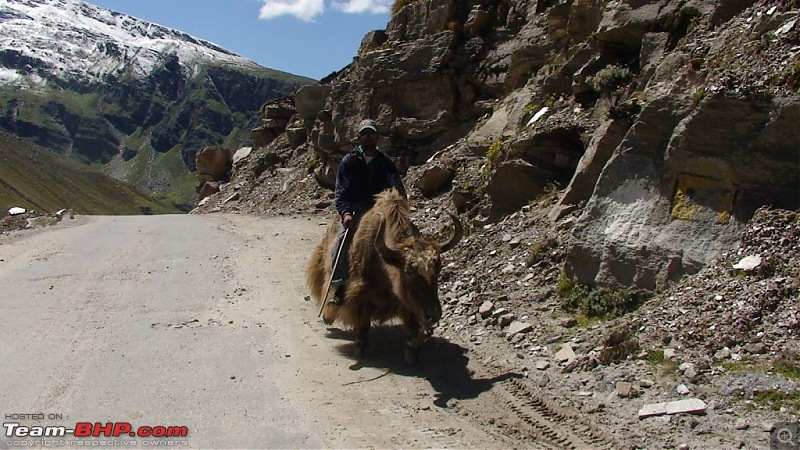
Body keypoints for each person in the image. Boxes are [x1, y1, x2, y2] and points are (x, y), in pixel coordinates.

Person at [328, 119, 407, 306]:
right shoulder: (349, 161)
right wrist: (345, 213)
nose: (369, 137)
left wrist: (401, 209)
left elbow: (398, 188)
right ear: (359, 137)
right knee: (341, 242)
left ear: (377, 138)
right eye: (365, 133)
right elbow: (341, 191)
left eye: (372, 133)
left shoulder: (385, 162)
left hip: (382, 210)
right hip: (356, 209)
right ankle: (339, 287)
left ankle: (406, 285)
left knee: (407, 241)